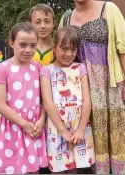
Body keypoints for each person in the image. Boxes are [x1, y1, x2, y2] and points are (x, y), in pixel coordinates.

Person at [58, 0, 125, 174]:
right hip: (79, 89)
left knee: (115, 134)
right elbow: (62, 52)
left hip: (109, 86)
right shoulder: (66, 17)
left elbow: (124, 47)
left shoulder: (109, 9)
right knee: (85, 134)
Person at [0, 22, 48, 174]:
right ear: (11, 43)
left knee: (33, 169)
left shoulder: (38, 68)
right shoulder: (2, 69)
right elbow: (0, 105)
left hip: (34, 126)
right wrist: (24, 124)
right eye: (22, 45)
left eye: (32, 45)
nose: (28, 50)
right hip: (13, 127)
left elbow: (44, 100)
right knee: (12, 168)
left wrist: (41, 120)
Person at [40, 26, 95, 174]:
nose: (69, 54)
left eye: (73, 49)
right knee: (58, 168)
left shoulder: (80, 68)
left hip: (79, 127)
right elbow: (48, 103)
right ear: (54, 47)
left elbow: (87, 100)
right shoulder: (46, 70)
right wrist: (62, 130)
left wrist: (81, 129)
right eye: (64, 49)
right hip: (57, 129)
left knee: (73, 169)